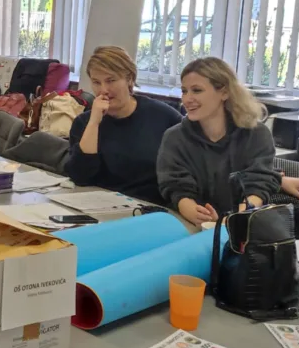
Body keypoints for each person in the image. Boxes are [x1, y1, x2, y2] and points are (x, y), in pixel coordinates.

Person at [157, 57, 281, 226]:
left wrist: (236, 218)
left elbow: (259, 184)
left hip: (245, 224)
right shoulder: (174, 137)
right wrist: (191, 209)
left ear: (224, 92)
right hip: (193, 224)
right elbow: (175, 187)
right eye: (184, 91)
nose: (187, 99)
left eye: (197, 90)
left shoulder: (256, 134)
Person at [65, 46, 182, 203]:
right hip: (98, 204)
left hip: (149, 206)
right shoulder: (84, 123)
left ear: (129, 79)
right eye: (96, 82)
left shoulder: (164, 116)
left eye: (111, 80)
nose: (103, 90)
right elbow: (80, 177)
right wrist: (94, 123)